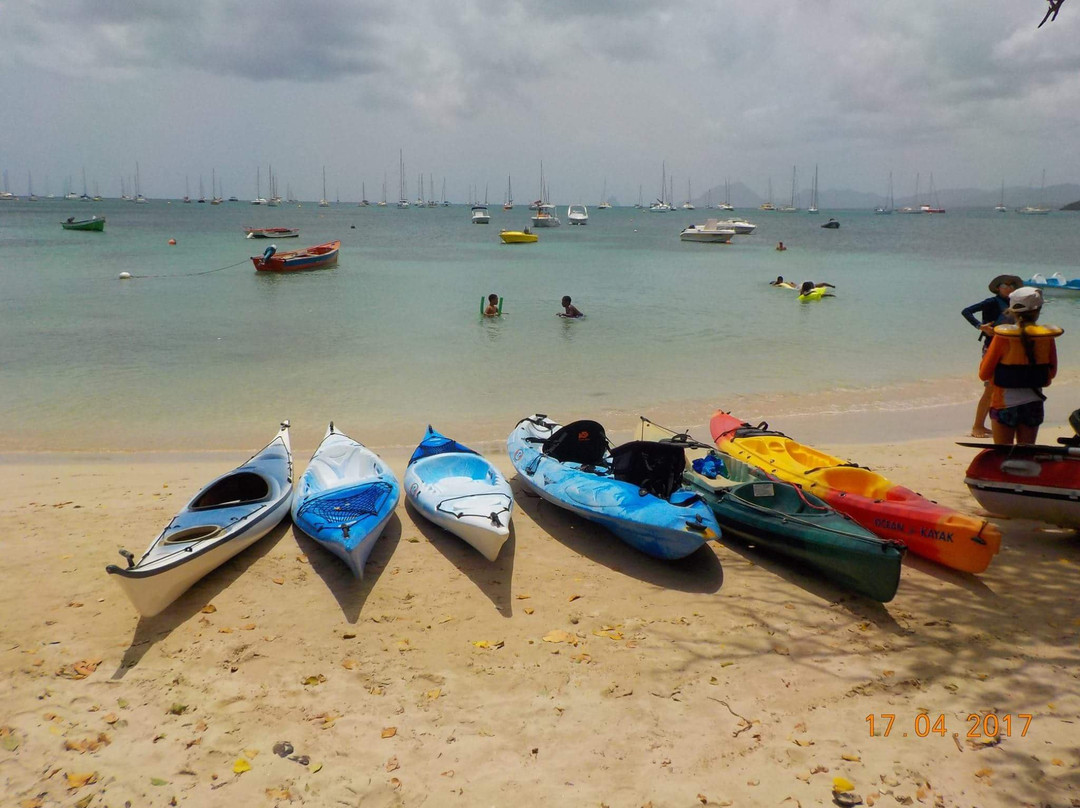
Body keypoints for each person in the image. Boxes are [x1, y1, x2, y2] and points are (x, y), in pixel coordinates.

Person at [979, 286, 1060, 445]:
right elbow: (1051, 373)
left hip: (1004, 404)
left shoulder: (1003, 337)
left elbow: (984, 373)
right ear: (1038, 310)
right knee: (1026, 455)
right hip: (1033, 404)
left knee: (1003, 457)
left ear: (1012, 311)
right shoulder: (1046, 337)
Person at [962, 274, 1022, 437]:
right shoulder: (991, 302)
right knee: (990, 388)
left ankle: (996, 425)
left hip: (1009, 348)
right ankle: (977, 426)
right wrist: (980, 326)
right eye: (1005, 285)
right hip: (992, 348)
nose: (1009, 288)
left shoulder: (1016, 304)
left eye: (1012, 285)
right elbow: (966, 311)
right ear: (998, 288)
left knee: (1002, 388)